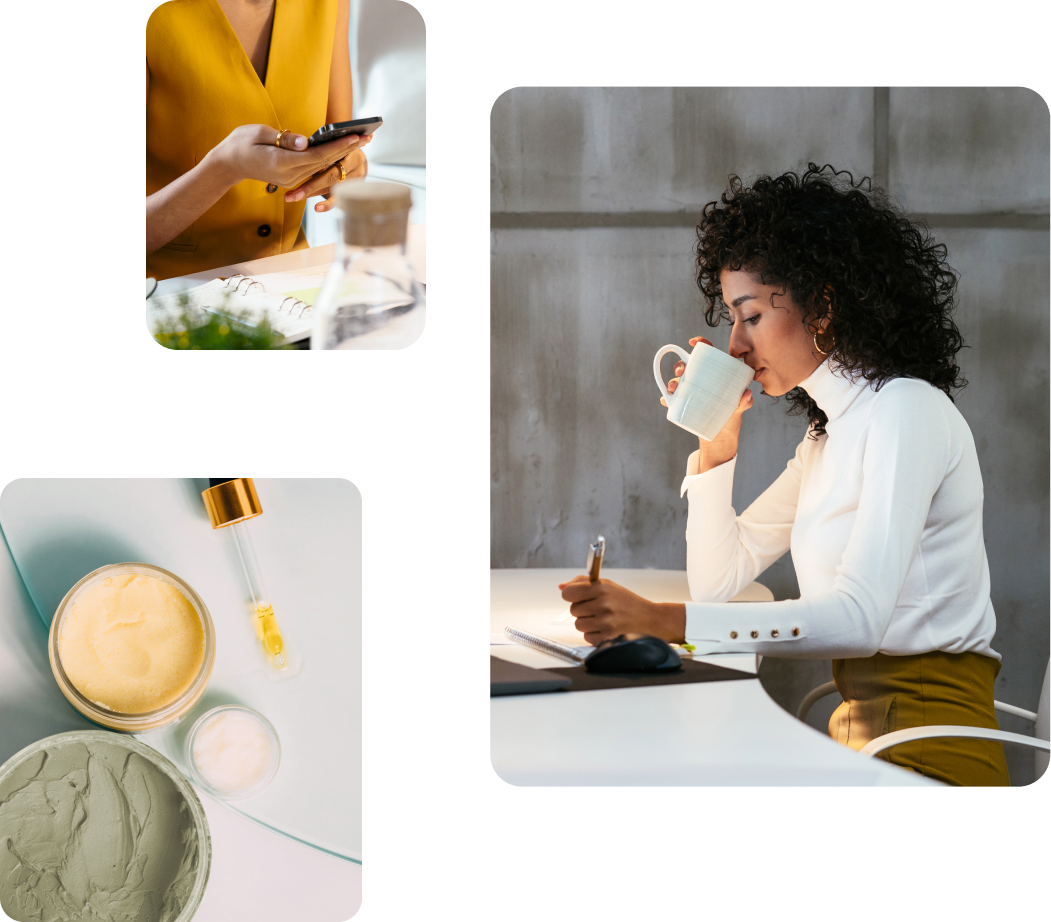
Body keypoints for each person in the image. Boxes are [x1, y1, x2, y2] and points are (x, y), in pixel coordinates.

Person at [559, 163, 1010, 786]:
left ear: (822, 307)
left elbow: (859, 618)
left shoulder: (907, 410)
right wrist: (717, 447)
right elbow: (720, 583)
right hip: (863, 743)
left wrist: (662, 622)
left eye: (750, 317)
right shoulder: (827, 435)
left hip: (929, 753)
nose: (736, 345)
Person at [146, 0, 373, 280]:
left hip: (290, 283)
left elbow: (335, 155)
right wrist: (223, 168)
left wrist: (345, 170)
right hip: (170, 296)